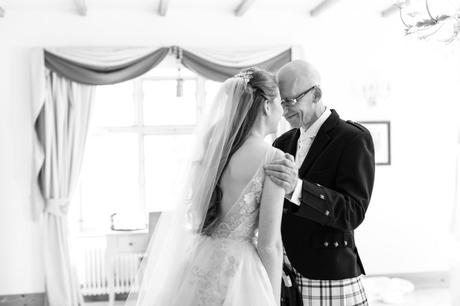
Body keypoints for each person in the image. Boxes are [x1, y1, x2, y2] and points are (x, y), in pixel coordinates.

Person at [125, 67, 286, 306]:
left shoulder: (216, 150)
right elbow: (269, 244)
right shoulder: (273, 158)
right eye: (281, 102)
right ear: (267, 106)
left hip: (202, 258)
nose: (283, 110)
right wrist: (273, 297)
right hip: (241, 271)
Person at [264, 60, 375, 305]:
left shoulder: (353, 139)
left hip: (330, 274)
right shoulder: (282, 143)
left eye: (291, 101)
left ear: (317, 94)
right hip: (285, 272)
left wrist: (298, 188)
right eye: (282, 102)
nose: (285, 110)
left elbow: (353, 212)